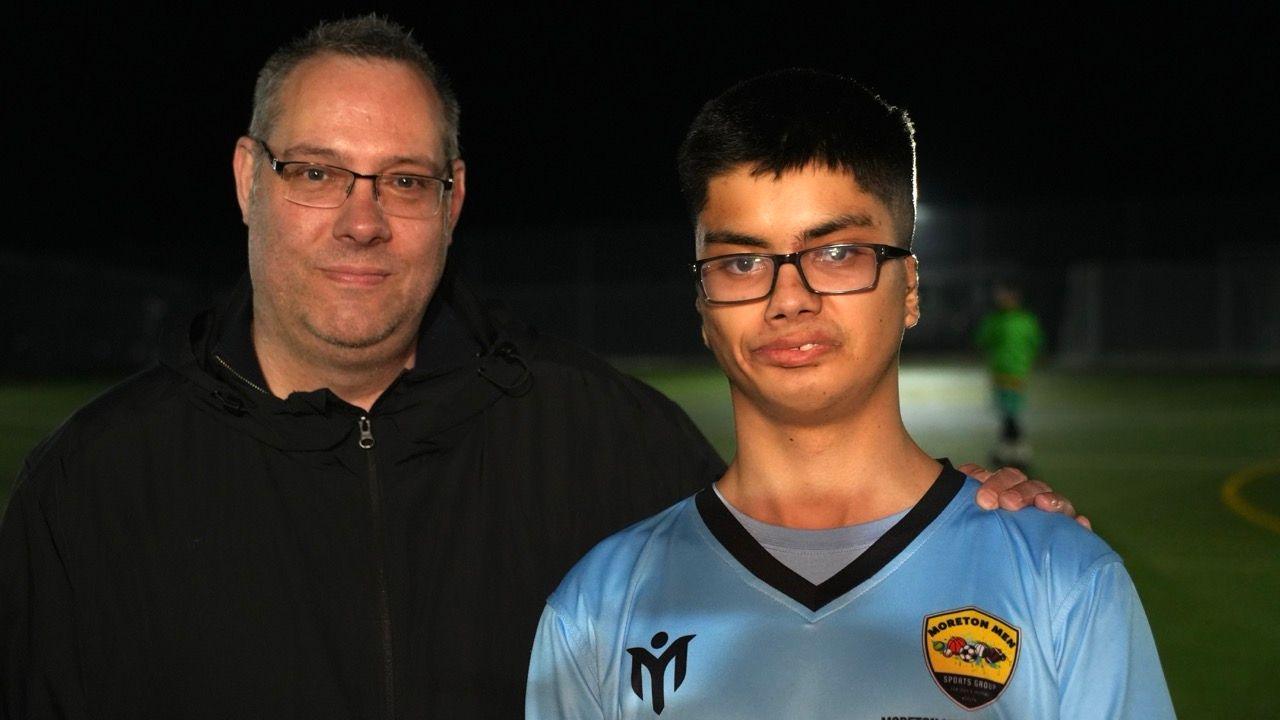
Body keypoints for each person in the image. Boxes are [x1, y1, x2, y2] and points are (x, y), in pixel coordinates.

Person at [0, 17, 1078, 719]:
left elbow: (805, 589)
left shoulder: (614, 442)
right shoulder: (90, 490)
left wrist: (973, 524)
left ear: (454, 199)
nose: (362, 221)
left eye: (405, 181)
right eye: (318, 172)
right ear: (247, 178)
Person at [526, 69, 1172, 719]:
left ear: (910, 285)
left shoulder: (1064, 582)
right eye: (742, 262)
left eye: (836, 252)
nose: (789, 299)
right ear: (702, 303)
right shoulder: (596, 609)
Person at [975, 281, 1044, 470]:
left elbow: (982, 340)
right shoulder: (1022, 320)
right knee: (1007, 411)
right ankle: (1011, 449)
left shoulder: (1006, 320)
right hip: (1007, 372)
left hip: (1011, 371)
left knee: (1009, 411)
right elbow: (1036, 343)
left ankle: (1015, 450)